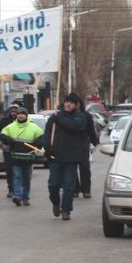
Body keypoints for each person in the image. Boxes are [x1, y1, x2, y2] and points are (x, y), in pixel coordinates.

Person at [44, 93, 88, 221]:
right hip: (55, 156)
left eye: (71, 102)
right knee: (53, 185)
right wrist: (47, 147)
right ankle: (56, 203)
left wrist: (60, 120)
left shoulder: (80, 117)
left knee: (69, 186)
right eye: (66, 102)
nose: (68, 104)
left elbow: (74, 127)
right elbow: (47, 132)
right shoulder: (55, 116)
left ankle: (66, 210)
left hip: (71, 157)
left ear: (76, 105)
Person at [0, 107, 44, 206]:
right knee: (17, 176)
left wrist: (38, 143)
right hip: (15, 157)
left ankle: (26, 197)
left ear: (26, 116)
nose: (21, 115)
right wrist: (9, 141)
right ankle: (17, 196)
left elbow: (42, 137)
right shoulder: (11, 127)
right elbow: (2, 135)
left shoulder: (34, 127)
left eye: (23, 113)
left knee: (26, 179)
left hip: (28, 158)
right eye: (19, 113)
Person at [73, 97, 100, 199]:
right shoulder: (66, 115)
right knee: (72, 168)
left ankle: (86, 190)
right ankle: (74, 190)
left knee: (85, 167)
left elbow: (91, 130)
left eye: (77, 102)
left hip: (83, 144)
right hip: (70, 145)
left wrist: (94, 142)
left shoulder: (86, 115)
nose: (76, 105)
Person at [0, 105, 19, 198]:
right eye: (12, 111)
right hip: (7, 150)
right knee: (9, 170)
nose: (13, 113)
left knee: (18, 171)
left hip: (19, 150)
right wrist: (1, 144)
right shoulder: (3, 121)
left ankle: (18, 188)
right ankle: (11, 189)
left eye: (15, 111)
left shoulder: (21, 121)